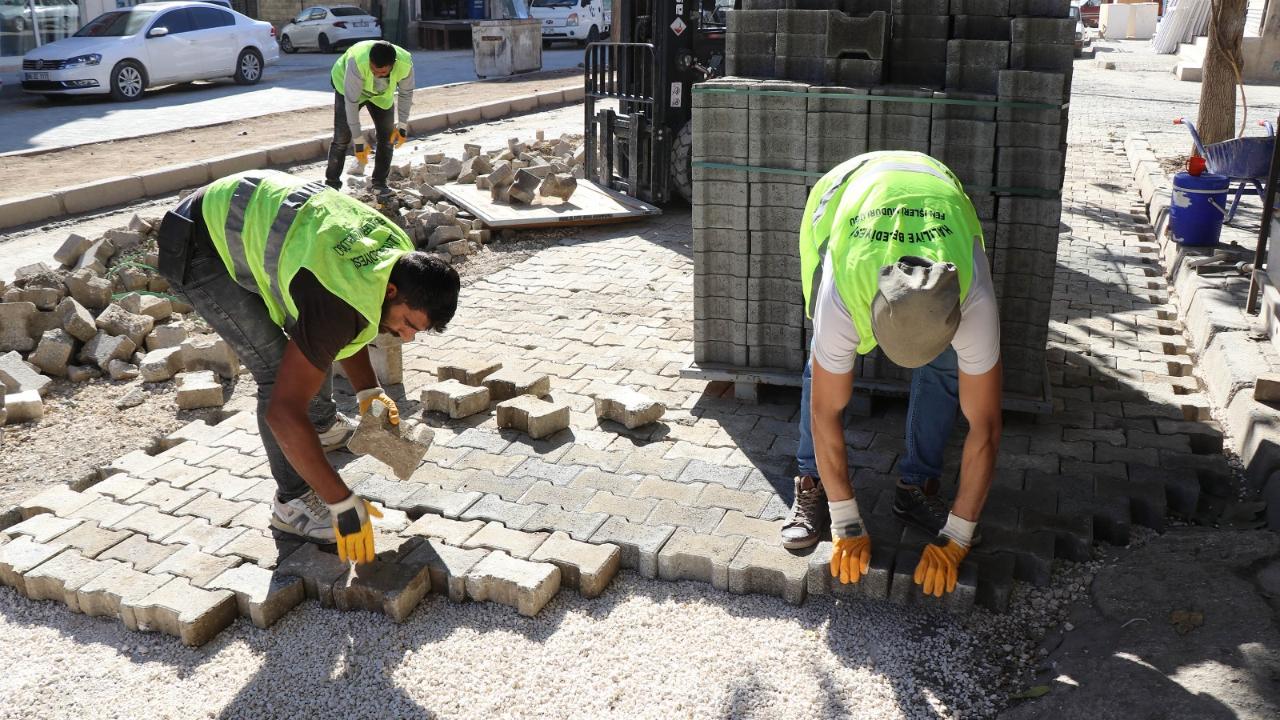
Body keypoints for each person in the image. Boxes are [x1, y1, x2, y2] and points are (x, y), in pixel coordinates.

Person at [155, 169, 460, 564]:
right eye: (409, 324)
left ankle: (319, 425)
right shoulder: (339, 304)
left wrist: (369, 393)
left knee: (306, 356)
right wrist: (341, 500)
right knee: (278, 372)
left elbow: (351, 321)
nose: (407, 337)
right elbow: (284, 410)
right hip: (199, 242)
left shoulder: (395, 255)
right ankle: (293, 502)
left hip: (249, 208)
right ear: (392, 291)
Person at [780, 151, 1003, 598]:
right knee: (821, 369)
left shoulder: (970, 297)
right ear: (872, 318)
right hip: (848, 194)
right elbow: (827, 411)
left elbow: (986, 425)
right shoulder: (845, 291)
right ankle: (811, 481)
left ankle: (916, 486)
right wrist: (846, 522)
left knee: (945, 369)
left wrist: (957, 536)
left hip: (938, 193)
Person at [325, 39, 415, 193]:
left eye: (383, 72)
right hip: (347, 87)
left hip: (381, 95)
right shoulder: (357, 62)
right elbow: (351, 102)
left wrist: (402, 125)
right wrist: (358, 140)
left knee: (387, 138)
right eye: (374, 70)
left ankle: (379, 184)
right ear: (370, 62)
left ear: (393, 65)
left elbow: (406, 94)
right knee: (341, 138)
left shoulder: (405, 64)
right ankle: (332, 184)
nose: (378, 74)